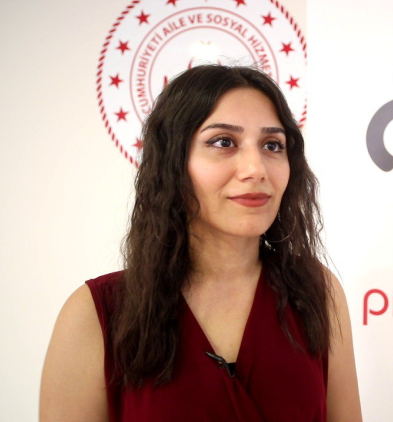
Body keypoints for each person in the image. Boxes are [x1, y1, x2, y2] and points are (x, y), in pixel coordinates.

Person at [39, 65, 362, 421]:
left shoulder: (317, 290)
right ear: (173, 163)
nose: (256, 168)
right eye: (223, 142)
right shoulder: (95, 314)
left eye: (272, 145)